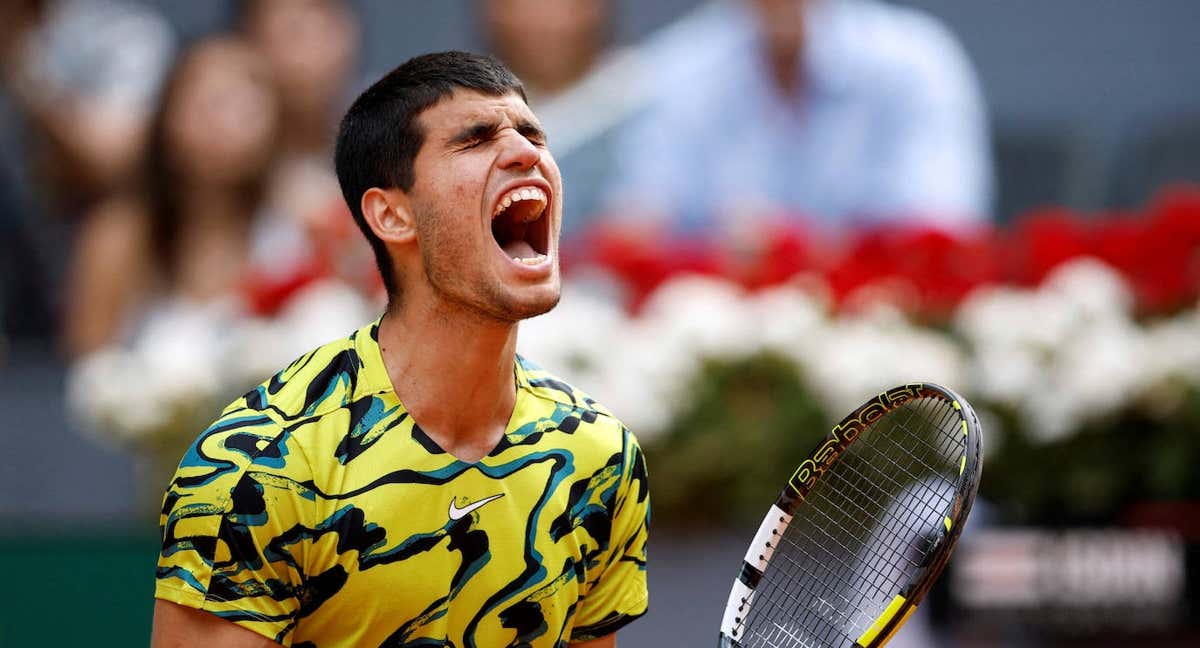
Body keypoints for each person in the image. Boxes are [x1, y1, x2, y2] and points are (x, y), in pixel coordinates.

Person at [150, 51, 650, 647]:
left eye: (532, 133)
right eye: (476, 139)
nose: (526, 152)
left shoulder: (597, 457)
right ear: (391, 214)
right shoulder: (258, 471)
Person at [604, 0, 993, 235]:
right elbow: (642, 226)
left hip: (885, 324)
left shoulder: (917, 61)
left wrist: (790, 248)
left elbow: (941, 229)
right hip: (724, 341)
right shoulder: (677, 67)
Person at [62, 36, 280, 356]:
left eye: (247, 103)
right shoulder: (118, 236)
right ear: (168, 115)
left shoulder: (305, 222)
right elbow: (89, 379)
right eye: (211, 102)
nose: (225, 123)